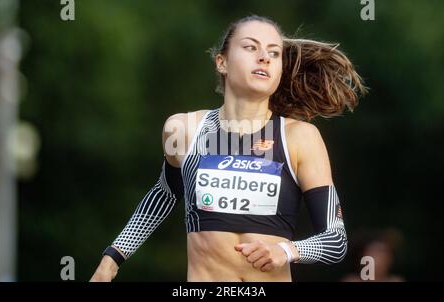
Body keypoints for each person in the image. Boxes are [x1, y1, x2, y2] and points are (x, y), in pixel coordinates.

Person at [90, 15, 367, 282]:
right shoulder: (184, 130)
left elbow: (335, 240)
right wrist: (111, 260)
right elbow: (164, 195)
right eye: (250, 47)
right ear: (221, 62)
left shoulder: (300, 138)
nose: (264, 58)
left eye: (274, 53)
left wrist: (287, 251)